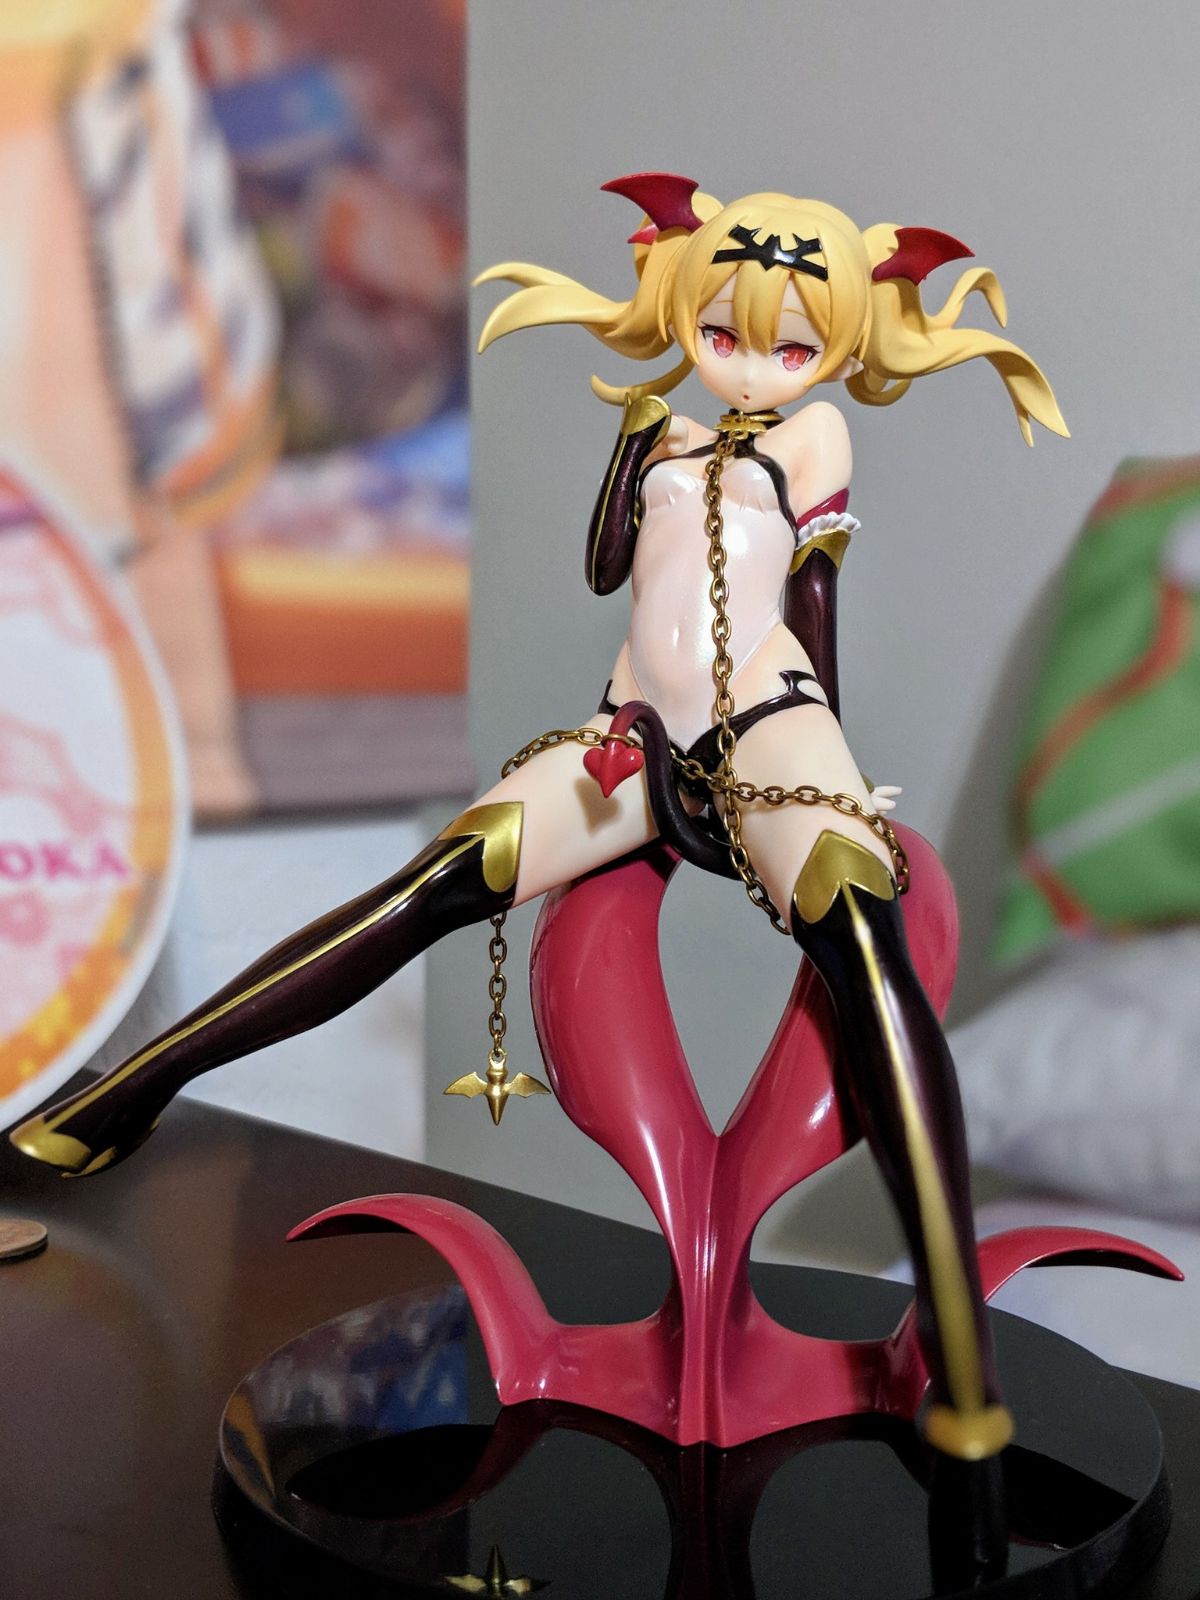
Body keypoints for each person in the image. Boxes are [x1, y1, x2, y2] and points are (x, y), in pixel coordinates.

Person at [11, 175, 1066, 1467]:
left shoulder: (816, 439)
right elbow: (607, 568)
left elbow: (811, 601)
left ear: (840, 348)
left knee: (861, 937)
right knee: (427, 891)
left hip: (766, 726)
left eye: (793, 346)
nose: (752, 364)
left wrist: (820, 767)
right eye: (722, 331)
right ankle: (132, 1092)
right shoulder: (663, 428)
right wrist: (635, 449)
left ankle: (958, 1349)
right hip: (625, 732)